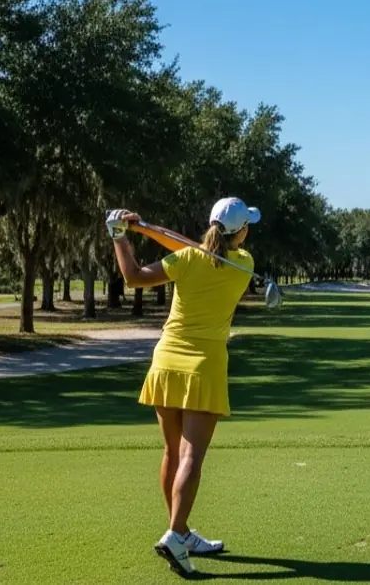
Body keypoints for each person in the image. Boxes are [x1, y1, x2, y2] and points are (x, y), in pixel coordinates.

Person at [106, 197, 258, 577]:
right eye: (247, 225)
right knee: (191, 457)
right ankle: (175, 535)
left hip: (166, 361)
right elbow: (193, 248)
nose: (249, 230)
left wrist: (122, 237)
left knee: (173, 453)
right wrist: (143, 229)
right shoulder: (243, 264)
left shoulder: (187, 260)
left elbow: (135, 277)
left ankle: (183, 531)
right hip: (203, 367)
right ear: (239, 232)